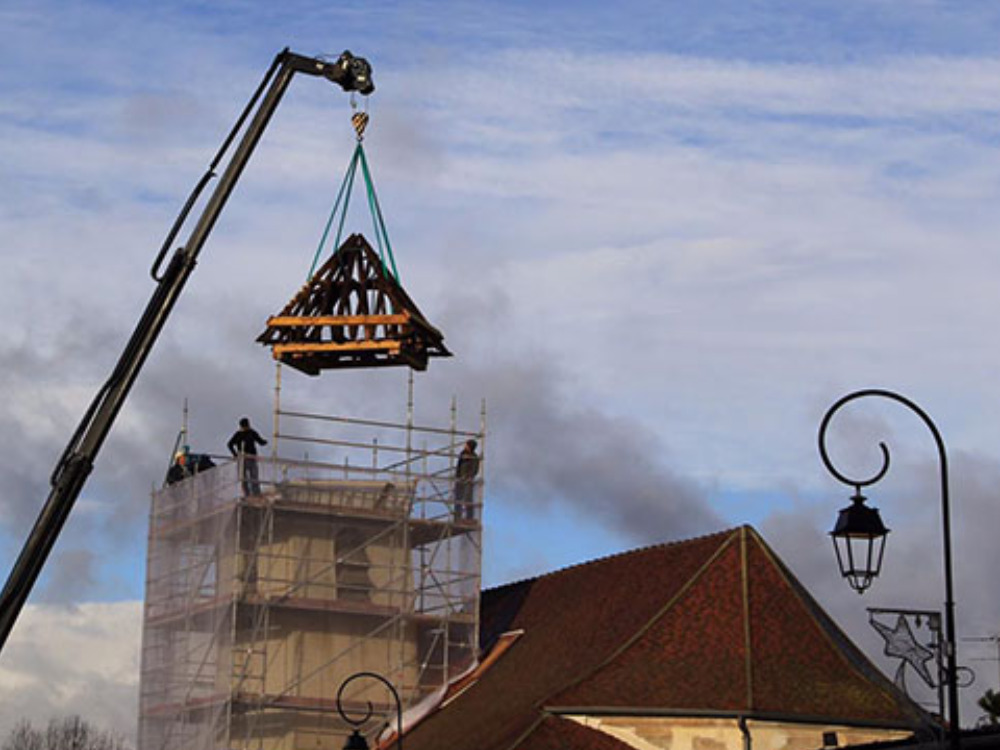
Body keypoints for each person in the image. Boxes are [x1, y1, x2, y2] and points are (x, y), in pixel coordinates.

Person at [227, 417, 268, 496]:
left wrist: (264, 442)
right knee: (246, 478)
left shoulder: (250, 433)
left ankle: (255, 494)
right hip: (244, 458)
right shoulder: (244, 433)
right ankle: (248, 494)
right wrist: (235, 455)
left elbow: (260, 441)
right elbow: (229, 444)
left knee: (253, 477)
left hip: (250, 458)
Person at [454, 439, 480, 521]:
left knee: (468, 499)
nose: (465, 446)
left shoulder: (474, 457)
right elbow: (458, 467)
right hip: (460, 479)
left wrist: (469, 477)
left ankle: (469, 518)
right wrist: (457, 477)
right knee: (458, 498)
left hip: (468, 481)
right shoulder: (463, 454)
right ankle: (457, 517)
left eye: (466, 445)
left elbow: (475, 470)